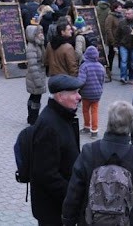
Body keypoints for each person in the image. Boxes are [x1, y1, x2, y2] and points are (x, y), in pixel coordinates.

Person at [61, 101, 133, 226]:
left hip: (89, 221)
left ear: (109, 122)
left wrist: (68, 220)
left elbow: (74, 191)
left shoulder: (89, 151)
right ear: (132, 125)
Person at [30, 75, 82, 226]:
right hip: (53, 208)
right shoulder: (49, 125)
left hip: (60, 204)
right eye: (74, 93)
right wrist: (72, 194)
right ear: (60, 96)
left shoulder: (63, 116)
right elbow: (46, 174)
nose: (79, 97)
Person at [78, 46, 106, 138]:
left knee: (85, 110)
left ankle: (86, 127)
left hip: (86, 93)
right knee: (95, 111)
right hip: (97, 93)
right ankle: (94, 131)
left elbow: (81, 81)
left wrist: (77, 88)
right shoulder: (101, 67)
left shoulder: (84, 66)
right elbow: (102, 80)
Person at [25, 24, 47, 125]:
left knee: (33, 97)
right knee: (36, 99)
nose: (41, 34)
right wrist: (38, 81)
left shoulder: (38, 44)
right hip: (35, 76)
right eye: (39, 33)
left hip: (38, 74)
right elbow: (33, 65)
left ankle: (31, 117)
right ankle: (33, 119)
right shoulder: (31, 47)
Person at [115, 8, 133, 84]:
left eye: (129, 14)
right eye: (126, 14)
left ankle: (132, 76)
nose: (127, 15)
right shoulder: (122, 22)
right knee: (124, 61)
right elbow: (117, 34)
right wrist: (116, 45)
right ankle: (123, 77)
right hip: (124, 44)